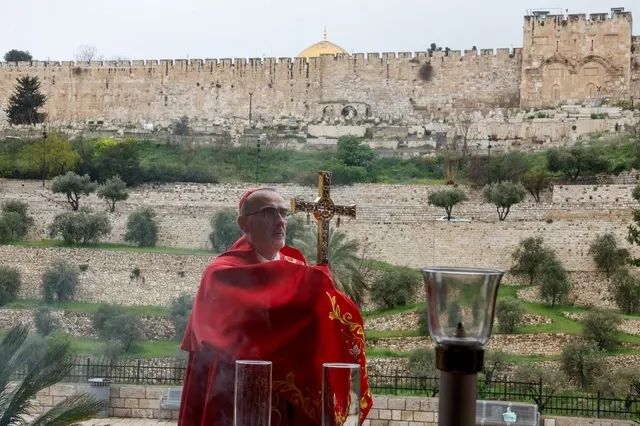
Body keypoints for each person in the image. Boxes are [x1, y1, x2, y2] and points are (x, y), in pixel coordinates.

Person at [179, 188, 371, 425]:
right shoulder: (221, 273)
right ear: (244, 223)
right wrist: (313, 284)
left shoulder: (298, 266)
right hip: (236, 392)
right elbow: (253, 324)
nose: (280, 221)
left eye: (283, 213)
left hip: (295, 395)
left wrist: (319, 292)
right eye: (269, 212)